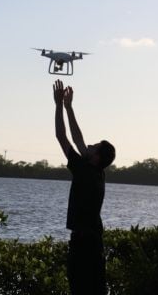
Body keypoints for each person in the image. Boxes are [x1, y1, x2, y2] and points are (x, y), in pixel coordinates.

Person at [53, 79, 116, 295]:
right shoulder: (98, 173)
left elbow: (62, 137)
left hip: (83, 245)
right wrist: (69, 108)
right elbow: (78, 139)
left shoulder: (85, 171)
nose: (88, 145)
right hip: (93, 243)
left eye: (93, 147)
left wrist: (58, 106)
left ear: (96, 157)